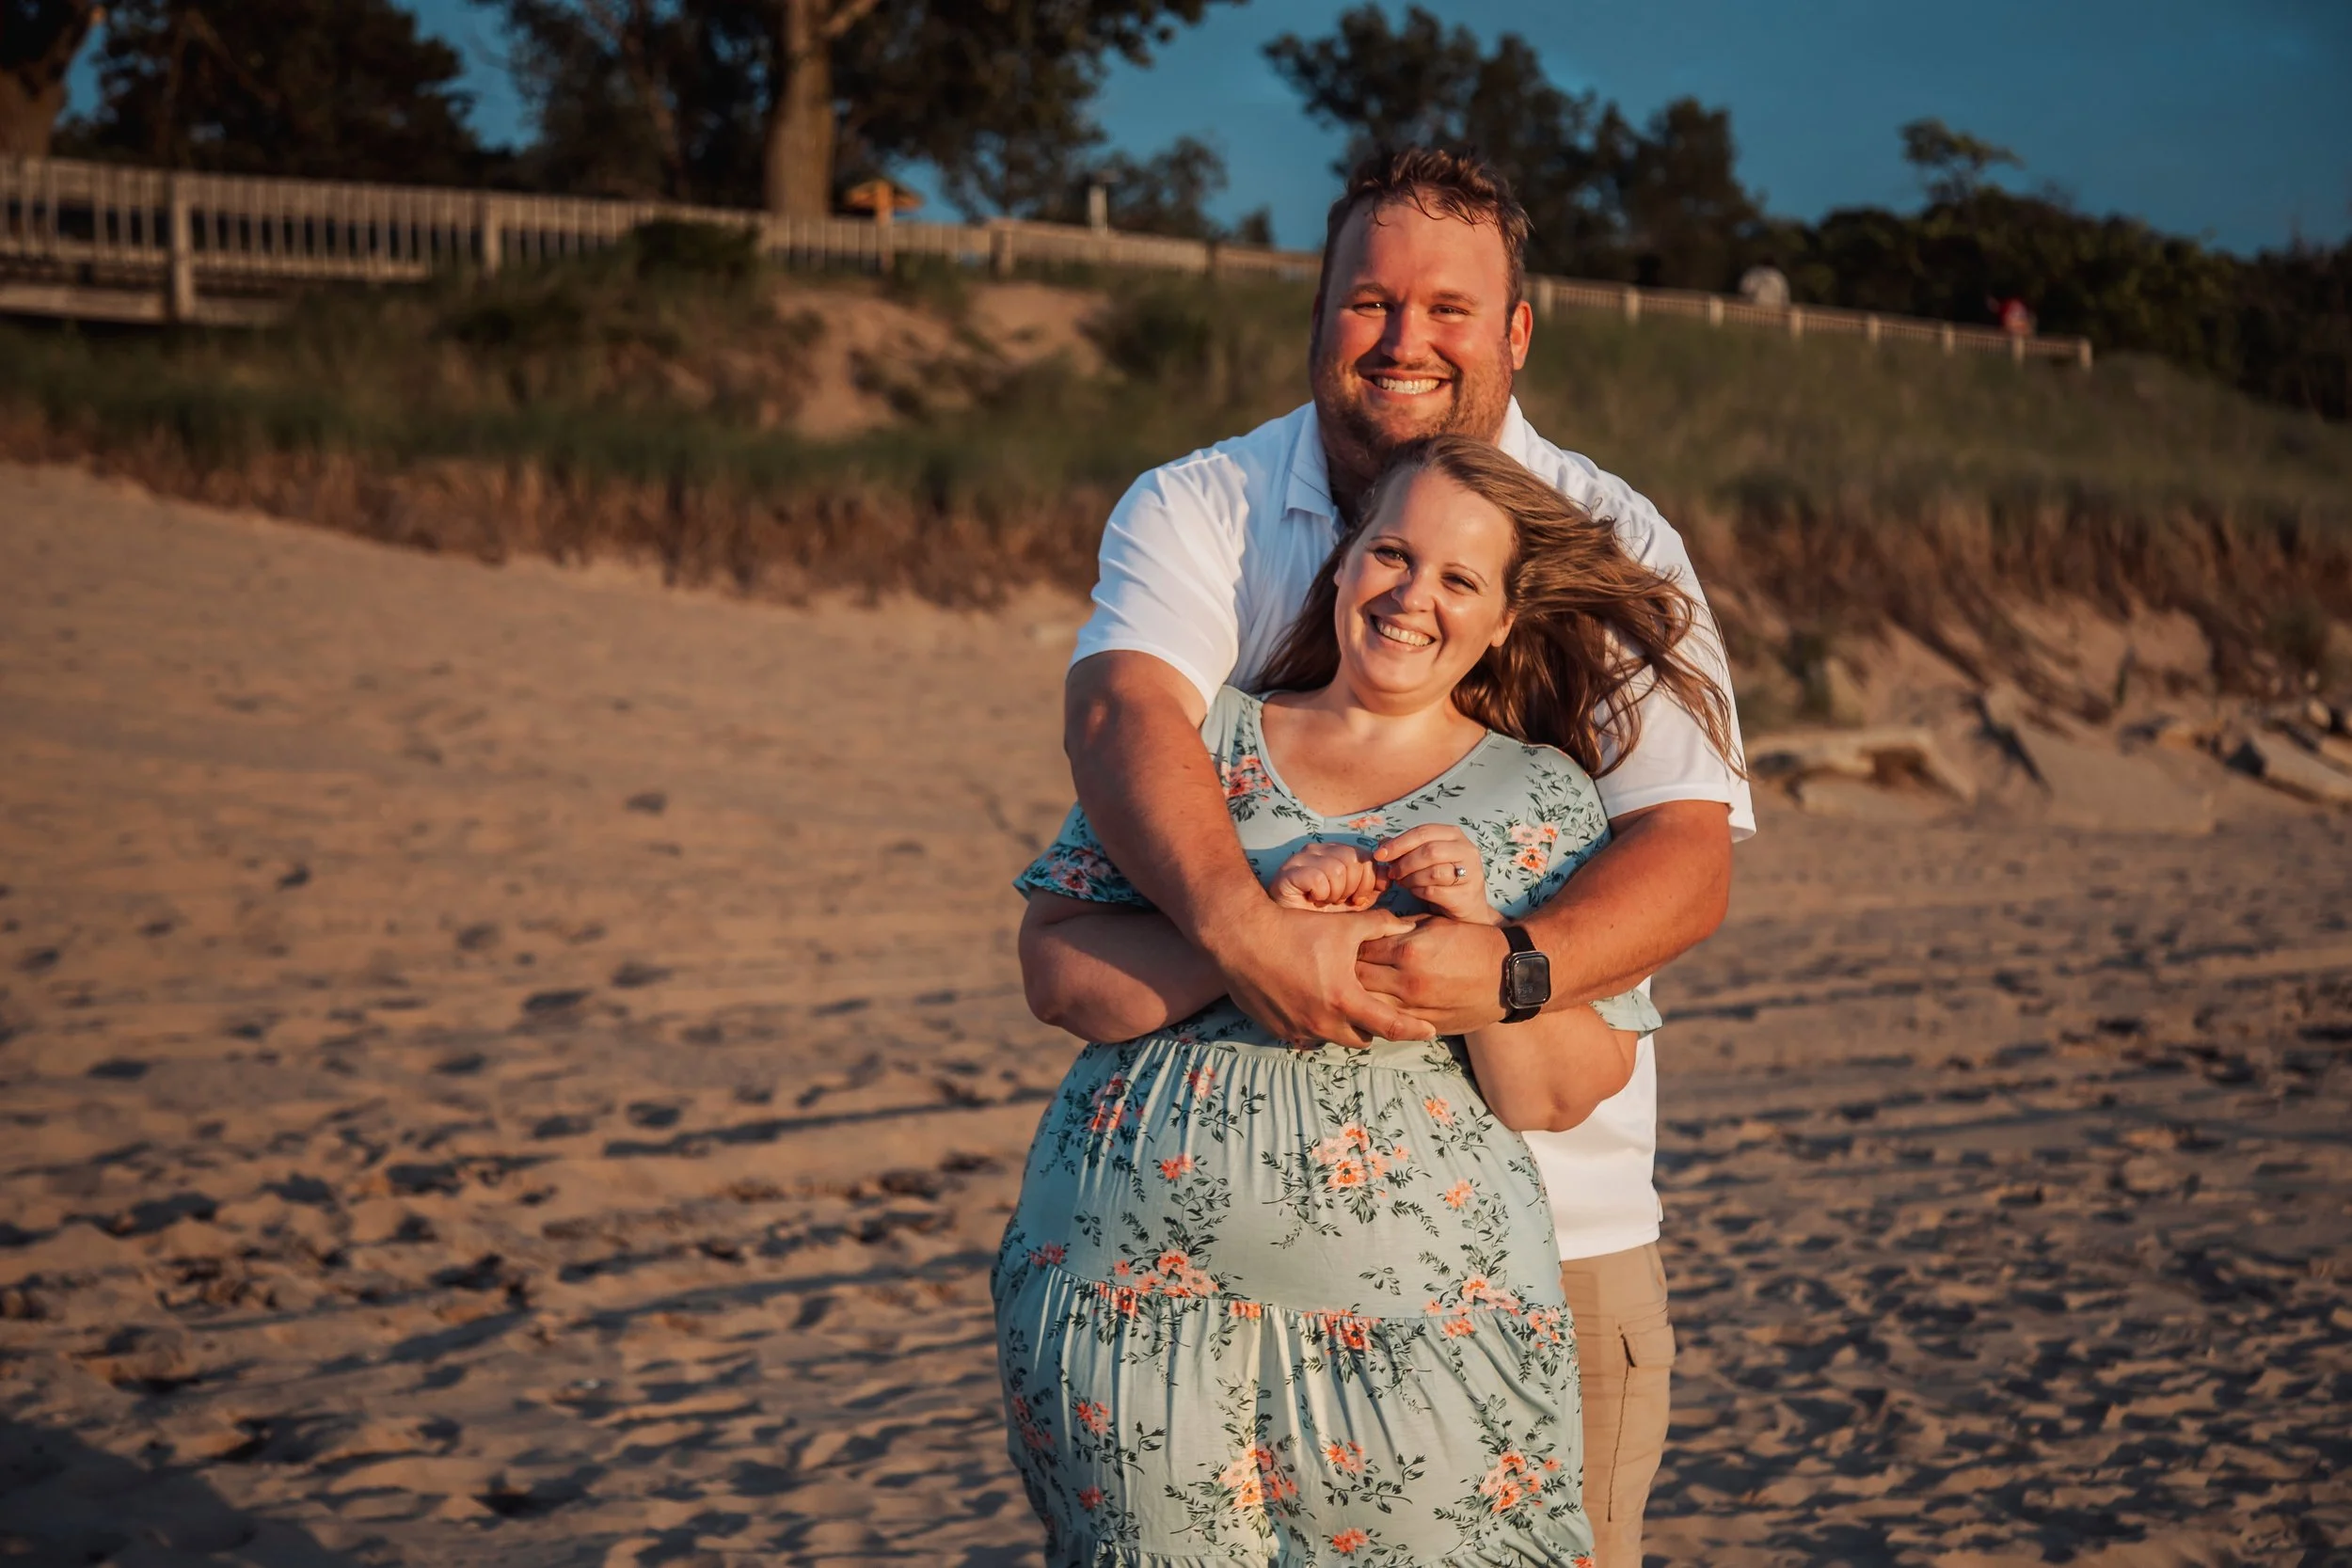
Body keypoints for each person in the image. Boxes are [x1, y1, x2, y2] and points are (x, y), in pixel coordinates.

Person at [1054, 147, 1756, 1566]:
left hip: (1550, 1243)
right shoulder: (1212, 506)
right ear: (1320, 314)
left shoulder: (1612, 538)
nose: (1403, 339)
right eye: (1369, 301)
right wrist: (1248, 935)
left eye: (1449, 307)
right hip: (1174, 1306)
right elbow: (1124, 712)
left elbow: (1686, 849)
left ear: (1516, 333)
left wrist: (1502, 969)